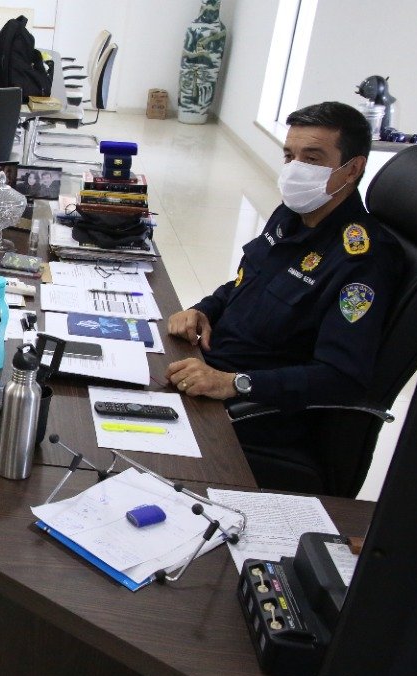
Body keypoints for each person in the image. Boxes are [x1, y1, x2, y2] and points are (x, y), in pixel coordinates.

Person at [165, 101, 403, 446]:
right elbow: (248, 282)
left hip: (248, 410)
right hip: (205, 367)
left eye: (312, 159)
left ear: (352, 169)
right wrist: (204, 309)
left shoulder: (362, 259)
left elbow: (341, 377)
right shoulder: (291, 214)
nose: (295, 169)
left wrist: (233, 383)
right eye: (289, 156)